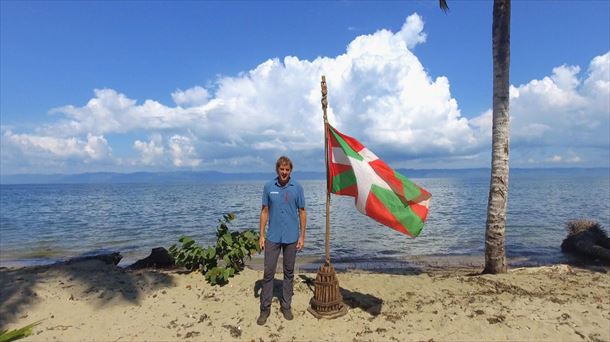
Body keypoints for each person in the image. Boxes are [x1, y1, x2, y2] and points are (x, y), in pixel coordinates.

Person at [257, 156, 306, 325]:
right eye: (281, 169)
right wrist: (261, 235)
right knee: (268, 272)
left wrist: (302, 236)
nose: (284, 172)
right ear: (277, 169)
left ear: (290, 170)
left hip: (292, 237)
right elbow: (264, 211)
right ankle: (265, 309)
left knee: (289, 272)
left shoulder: (297, 188)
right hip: (272, 237)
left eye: (287, 170)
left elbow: (302, 212)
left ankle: (286, 305)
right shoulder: (268, 187)